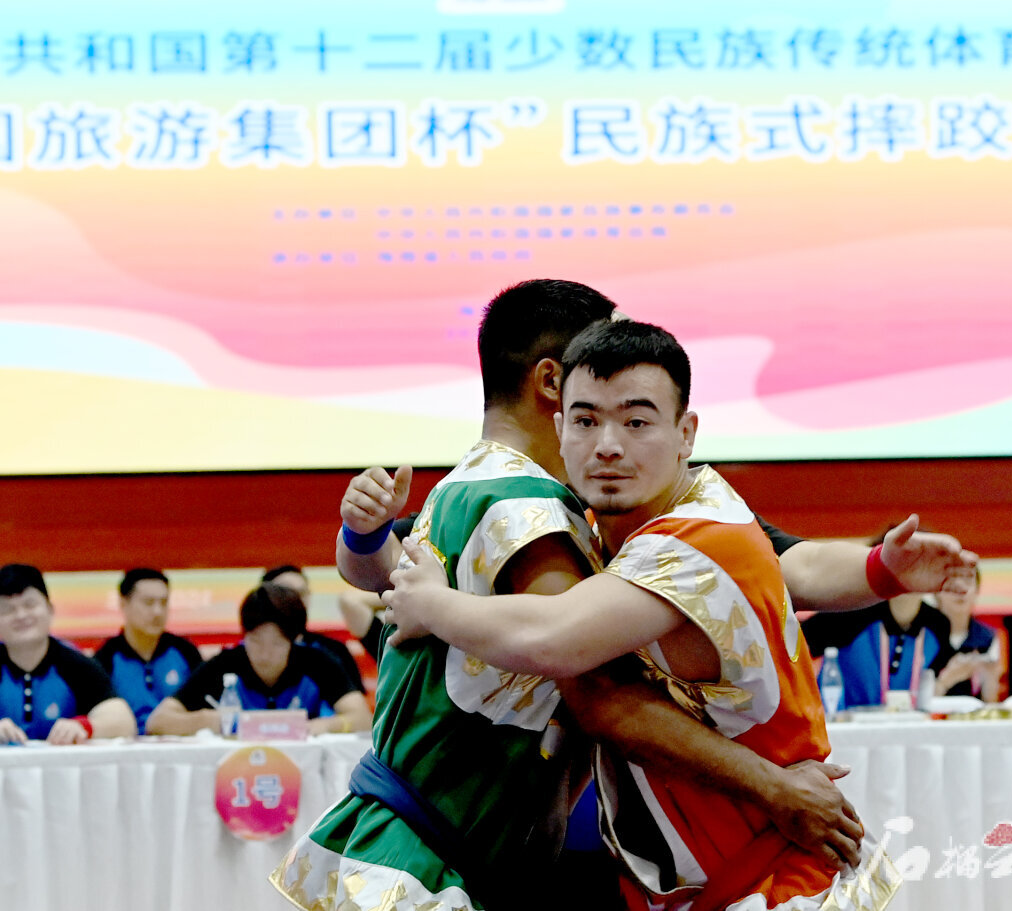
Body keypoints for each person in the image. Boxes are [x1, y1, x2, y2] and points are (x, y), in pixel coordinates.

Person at [274, 281, 877, 911]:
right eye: (591, 414)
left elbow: (790, 564)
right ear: (556, 390)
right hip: (433, 859)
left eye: (636, 419)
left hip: (428, 847)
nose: (611, 441)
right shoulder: (529, 507)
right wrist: (775, 787)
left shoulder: (470, 488)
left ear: (684, 432)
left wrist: (884, 569)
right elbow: (595, 688)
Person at [147, 583, 371, 736]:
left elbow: (362, 718)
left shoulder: (317, 662)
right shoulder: (224, 665)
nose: (264, 654)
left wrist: (326, 726)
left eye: (276, 644)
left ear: (294, 639)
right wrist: (206, 721)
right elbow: (158, 722)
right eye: (255, 641)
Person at [0, 563, 137, 744]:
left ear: (50, 610)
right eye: (8, 609)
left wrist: (85, 726)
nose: (21, 615)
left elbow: (124, 721)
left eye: (30, 605)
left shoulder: (76, 665)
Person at [94, 567, 204, 734]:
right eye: (148, 603)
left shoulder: (185, 651)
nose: (157, 612)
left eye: (164, 603)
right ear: (124, 604)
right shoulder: (106, 658)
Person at [262, 564, 367, 694]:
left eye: (302, 593)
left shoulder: (334, 651)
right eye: (286, 592)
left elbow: (357, 701)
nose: (296, 600)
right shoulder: (244, 652)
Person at [933, 569, 1001, 702]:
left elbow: (990, 703)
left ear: (977, 591)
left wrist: (990, 683)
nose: (961, 590)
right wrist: (945, 681)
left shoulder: (987, 637)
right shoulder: (922, 634)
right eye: (951, 583)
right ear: (936, 591)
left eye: (968, 581)